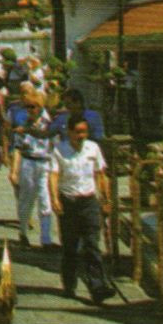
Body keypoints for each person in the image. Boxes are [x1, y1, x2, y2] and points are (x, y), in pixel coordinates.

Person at [51, 116, 118, 304]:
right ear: (69, 132)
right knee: (70, 247)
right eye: (77, 132)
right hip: (69, 202)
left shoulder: (93, 148)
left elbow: (100, 175)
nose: (81, 136)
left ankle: (97, 287)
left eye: (84, 132)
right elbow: (54, 176)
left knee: (92, 246)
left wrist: (105, 199)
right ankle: (69, 285)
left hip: (89, 202)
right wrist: (55, 198)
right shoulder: (59, 150)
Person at [7, 89, 57, 248]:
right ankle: (23, 232)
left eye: (34, 107)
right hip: (28, 163)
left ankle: (46, 238)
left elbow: (54, 147)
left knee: (45, 201)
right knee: (25, 201)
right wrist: (14, 171)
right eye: (28, 107)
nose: (30, 110)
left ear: (40, 107)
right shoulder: (23, 125)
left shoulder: (48, 124)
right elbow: (17, 148)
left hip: (45, 163)